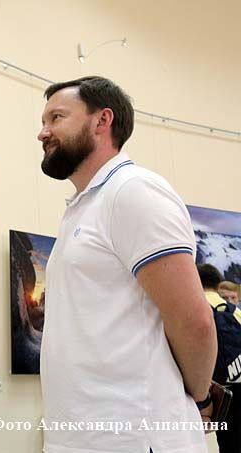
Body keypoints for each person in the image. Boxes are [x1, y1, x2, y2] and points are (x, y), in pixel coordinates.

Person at [37, 76, 217, 453]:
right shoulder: (82, 208)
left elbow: (195, 322)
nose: (43, 132)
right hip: (82, 438)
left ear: (102, 121)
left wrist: (199, 401)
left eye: (56, 117)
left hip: (137, 437)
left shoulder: (133, 191)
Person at [198, 263, 241, 452]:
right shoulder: (236, 312)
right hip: (237, 384)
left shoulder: (193, 309)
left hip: (207, 388)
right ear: (217, 284)